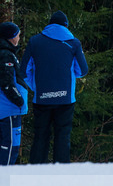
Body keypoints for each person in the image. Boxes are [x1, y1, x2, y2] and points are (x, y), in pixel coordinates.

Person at [22, 11, 88, 164]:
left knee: (40, 136)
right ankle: (61, 172)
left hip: (42, 98)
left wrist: (36, 86)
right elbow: (82, 70)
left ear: (49, 25)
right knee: (62, 137)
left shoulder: (35, 41)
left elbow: (24, 71)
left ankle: (36, 171)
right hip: (65, 99)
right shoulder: (73, 43)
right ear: (66, 26)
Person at [0, 21, 28, 166]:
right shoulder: (6, 55)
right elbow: (7, 83)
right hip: (9, 109)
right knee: (10, 148)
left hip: (8, 108)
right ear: (10, 37)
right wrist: (19, 100)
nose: (19, 38)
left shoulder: (7, 53)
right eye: (17, 35)